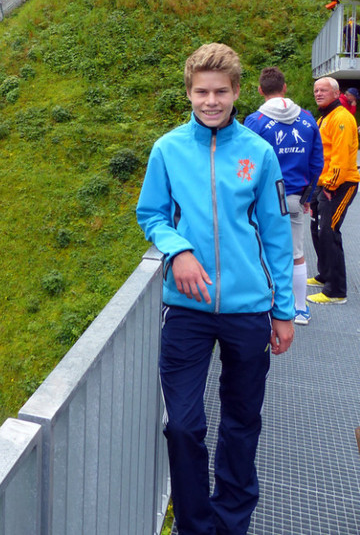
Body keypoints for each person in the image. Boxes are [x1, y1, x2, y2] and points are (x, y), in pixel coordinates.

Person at [136, 43, 294, 535]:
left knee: (241, 422)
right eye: (201, 91)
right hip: (186, 309)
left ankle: (232, 518)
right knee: (183, 425)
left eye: (220, 92)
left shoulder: (258, 153)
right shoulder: (167, 150)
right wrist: (177, 249)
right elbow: (152, 214)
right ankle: (194, 524)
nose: (211, 101)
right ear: (188, 92)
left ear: (237, 92)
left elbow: (275, 233)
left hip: (249, 309)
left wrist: (284, 311)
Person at [244, 67, 324, 325]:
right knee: (296, 253)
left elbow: (247, 163)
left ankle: (261, 304)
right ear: (285, 87)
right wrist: (307, 196)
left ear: (260, 90)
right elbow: (316, 162)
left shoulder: (254, 121)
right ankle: (299, 308)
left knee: (259, 250)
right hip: (293, 197)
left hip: (261, 199)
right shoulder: (308, 119)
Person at [307, 77, 359, 305]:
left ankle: (336, 290)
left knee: (329, 231)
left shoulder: (341, 119)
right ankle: (324, 275)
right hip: (323, 183)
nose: (318, 93)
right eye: (316, 90)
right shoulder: (324, 118)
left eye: (324, 90)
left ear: (336, 93)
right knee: (317, 230)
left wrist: (330, 186)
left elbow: (341, 156)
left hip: (340, 184)